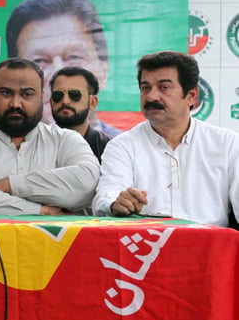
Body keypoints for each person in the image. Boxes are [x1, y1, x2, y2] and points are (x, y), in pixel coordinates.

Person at [92, 51, 239, 226]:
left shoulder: (226, 144)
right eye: (146, 88)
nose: (151, 96)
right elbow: (105, 197)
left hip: (210, 247)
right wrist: (117, 203)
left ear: (191, 96)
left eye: (164, 87)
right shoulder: (123, 145)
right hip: (146, 248)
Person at [0, 58, 100, 215]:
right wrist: (41, 210)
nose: (15, 103)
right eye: (6, 93)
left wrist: (11, 185)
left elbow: (88, 185)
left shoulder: (66, 140)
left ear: (42, 97)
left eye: (27, 94)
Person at [6, 0, 118, 135]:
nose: (58, 75)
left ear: (104, 69)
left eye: (74, 57)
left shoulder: (126, 152)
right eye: (39, 61)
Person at [49, 66, 110, 162]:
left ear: (93, 102)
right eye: (58, 95)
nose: (65, 101)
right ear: (51, 101)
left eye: (74, 95)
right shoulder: (34, 145)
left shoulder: (108, 149)